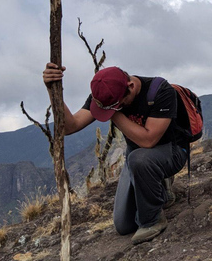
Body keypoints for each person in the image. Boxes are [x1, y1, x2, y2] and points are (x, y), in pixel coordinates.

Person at [42, 63, 187, 244]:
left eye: (118, 104)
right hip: (137, 159)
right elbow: (70, 126)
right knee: (123, 225)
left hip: (171, 152)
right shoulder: (106, 94)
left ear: (131, 87)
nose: (109, 111)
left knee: (139, 158)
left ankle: (153, 221)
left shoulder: (160, 91)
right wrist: (54, 91)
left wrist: (112, 112)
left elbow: (148, 141)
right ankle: (162, 191)